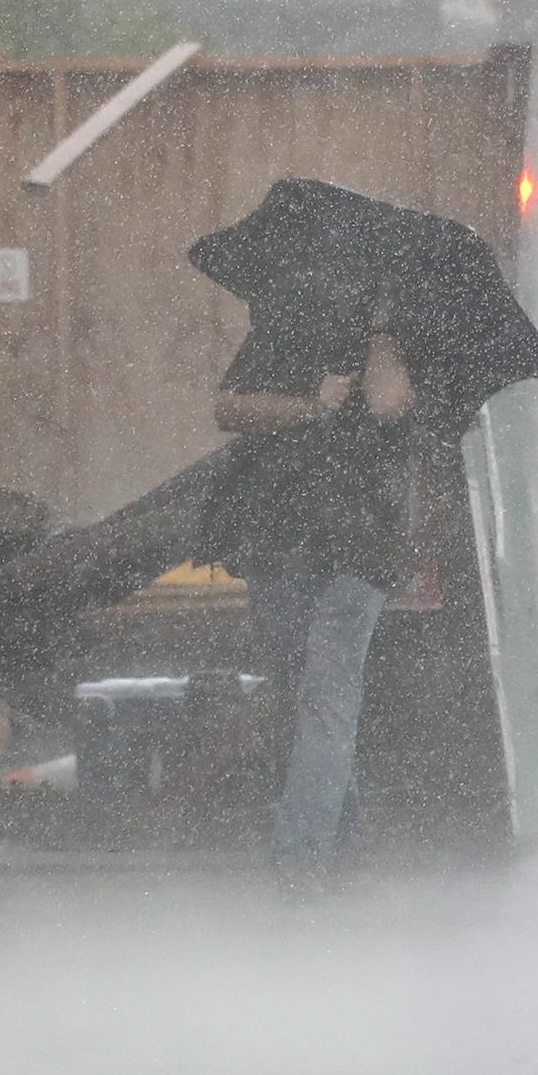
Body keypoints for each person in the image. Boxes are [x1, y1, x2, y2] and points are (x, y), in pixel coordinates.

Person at [208, 273, 421, 888]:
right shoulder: (282, 330)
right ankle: (345, 837)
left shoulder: (406, 341)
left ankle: (301, 859)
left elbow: (389, 405)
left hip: (359, 551)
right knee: (303, 693)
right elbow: (229, 406)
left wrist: (382, 333)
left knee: (325, 698)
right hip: (282, 540)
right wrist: (312, 403)